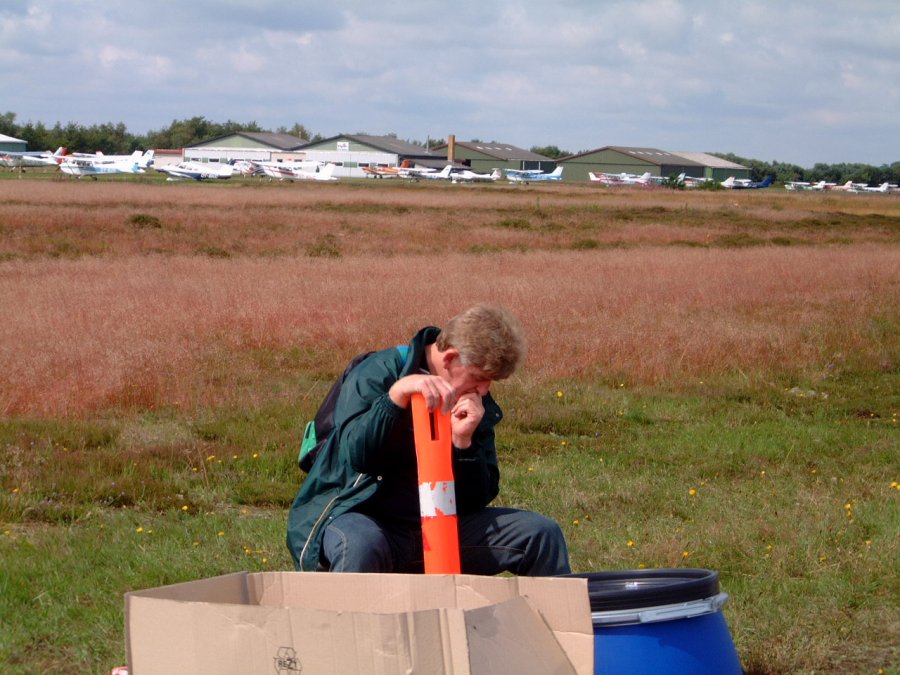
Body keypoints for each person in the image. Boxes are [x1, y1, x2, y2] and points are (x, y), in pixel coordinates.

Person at [286, 303, 571, 576]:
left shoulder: (472, 398)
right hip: (363, 519)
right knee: (360, 545)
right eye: (479, 377)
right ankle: (347, 611)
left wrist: (463, 443)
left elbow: (477, 498)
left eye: (490, 382)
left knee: (540, 534)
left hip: (439, 528)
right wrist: (394, 399)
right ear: (449, 358)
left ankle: (561, 612)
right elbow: (357, 456)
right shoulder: (377, 372)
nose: (484, 390)